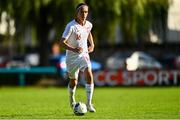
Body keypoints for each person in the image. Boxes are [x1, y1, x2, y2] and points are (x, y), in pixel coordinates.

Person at [60, 3, 96, 112]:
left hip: (84, 55)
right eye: (82, 12)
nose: (84, 14)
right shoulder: (71, 26)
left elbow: (88, 32)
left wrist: (92, 44)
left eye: (86, 12)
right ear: (77, 13)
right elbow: (62, 43)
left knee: (89, 73)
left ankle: (89, 104)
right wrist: (74, 49)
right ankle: (71, 98)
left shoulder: (88, 24)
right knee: (73, 81)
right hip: (71, 58)